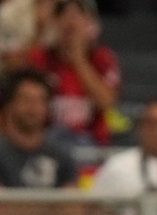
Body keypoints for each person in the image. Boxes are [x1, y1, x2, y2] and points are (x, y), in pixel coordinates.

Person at [0, 69, 78, 215]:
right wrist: (52, 208)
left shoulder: (61, 155)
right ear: (10, 105)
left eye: (40, 101)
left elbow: (73, 211)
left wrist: (22, 207)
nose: (34, 108)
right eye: (26, 100)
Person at [26, 0, 120, 145]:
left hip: (91, 140)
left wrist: (79, 59)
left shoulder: (103, 58)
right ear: (54, 22)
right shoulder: (40, 58)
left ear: (89, 24)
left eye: (77, 16)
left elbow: (106, 103)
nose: (70, 21)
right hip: (48, 138)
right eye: (63, 15)